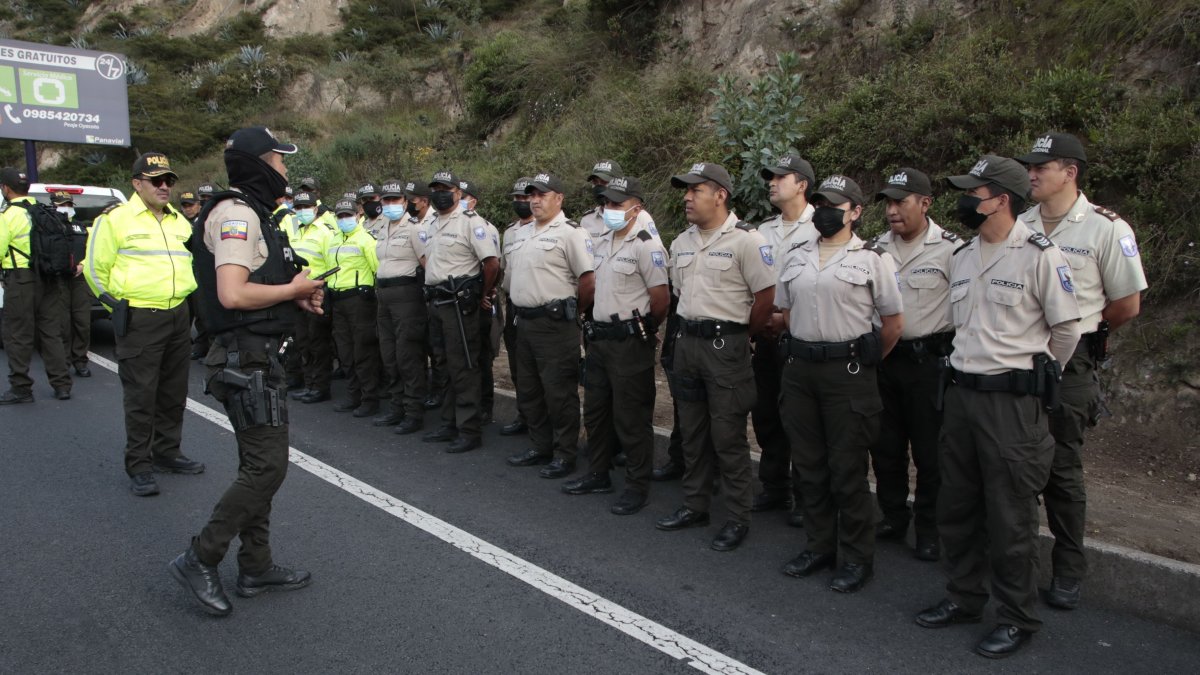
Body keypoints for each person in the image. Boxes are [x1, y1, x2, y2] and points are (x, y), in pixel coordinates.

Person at [915, 155, 1081, 659]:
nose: (965, 201)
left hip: (1012, 405)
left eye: (974, 193)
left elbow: (1067, 329)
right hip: (963, 397)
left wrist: (1031, 376)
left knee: (1010, 518)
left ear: (1001, 200)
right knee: (957, 506)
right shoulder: (963, 256)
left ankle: (1016, 618)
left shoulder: (1038, 255)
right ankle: (964, 597)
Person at [169, 125, 323, 617]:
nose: (284, 170)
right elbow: (234, 294)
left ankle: (256, 565)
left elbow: (257, 287)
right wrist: (290, 291)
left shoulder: (256, 214)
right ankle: (201, 555)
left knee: (259, 466)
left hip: (255, 355)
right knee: (267, 467)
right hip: (245, 360)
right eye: (280, 160)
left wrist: (294, 293)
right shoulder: (237, 213)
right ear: (259, 163)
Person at [1017, 132, 1147, 609]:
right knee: (1019, 465)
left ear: (1069, 172)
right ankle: (1019, 567)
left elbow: (1127, 303)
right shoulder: (1021, 223)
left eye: (1041, 167)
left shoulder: (1105, 229)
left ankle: (1069, 570)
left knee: (1062, 472)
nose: (1031, 173)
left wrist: (1085, 333)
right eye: (1029, 166)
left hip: (1070, 368)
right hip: (1021, 363)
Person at [775, 175, 903, 593]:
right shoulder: (795, 255)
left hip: (847, 375)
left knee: (847, 469)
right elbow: (785, 311)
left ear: (855, 211)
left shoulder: (872, 258)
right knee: (809, 466)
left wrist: (860, 361)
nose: (825, 211)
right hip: (801, 371)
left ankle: (857, 558)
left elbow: (893, 323)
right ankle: (818, 546)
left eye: (834, 204)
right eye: (820, 203)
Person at [655, 162, 775, 552]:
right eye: (685, 190)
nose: (687, 197)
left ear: (721, 195)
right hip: (688, 343)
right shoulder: (681, 242)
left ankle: (738, 517)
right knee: (692, 431)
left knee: (727, 436)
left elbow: (765, 299)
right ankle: (695, 505)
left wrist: (742, 334)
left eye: (696, 190)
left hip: (727, 348)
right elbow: (678, 295)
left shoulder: (747, 241)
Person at [85, 153, 204, 496]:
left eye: (168, 180)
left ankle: (167, 452)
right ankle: (139, 464)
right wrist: (115, 306)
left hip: (179, 314)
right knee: (141, 395)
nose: (165, 186)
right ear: (137, 184)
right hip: (140, 317)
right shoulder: (115, 220)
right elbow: (95, 270)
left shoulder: (178, 221)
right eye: (156, 180)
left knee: (173, 391)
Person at [869, 167, 960, 562]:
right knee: (885, 448)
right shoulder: (874, 250)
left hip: (930, 365)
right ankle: (892, 516)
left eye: (900, 201)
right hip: (886, 359)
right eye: (888, 202)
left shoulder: (953, 250)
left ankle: (929, 529)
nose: (892, 210)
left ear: (925, 203)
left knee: (930, 454)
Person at [563, 176, 669, 514]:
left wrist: (644, 328)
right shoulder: (603, 241)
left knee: (632, 417)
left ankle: (637, 486)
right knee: (596, 411)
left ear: (636, 209)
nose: (609, 209)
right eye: (606, 203)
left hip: (628, 344)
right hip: (600, 340)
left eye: (617, 204)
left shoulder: (646, 245)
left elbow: (661, 299)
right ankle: (598, 472)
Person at [504, 172, 595, 478]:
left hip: (555, 324)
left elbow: (588, 280)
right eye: (532, 195)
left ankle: (565, 452)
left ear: (559, 198)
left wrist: (575, 311)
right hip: (524, 322)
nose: (535, 200)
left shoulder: (571, 233)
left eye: (542, 195)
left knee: (559, 393)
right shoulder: (521, 233)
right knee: (529, 390)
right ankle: (539, 445)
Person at [751, 153, 818, 526]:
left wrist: (784, 319)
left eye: (781, 177)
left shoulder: (819, 227)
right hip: (765, 333)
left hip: (798, 334)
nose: (772, 182)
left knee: (799, 417)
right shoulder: (764, 229)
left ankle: (802, 494)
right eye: (770, 177)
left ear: (802, 185)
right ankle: (773, 485)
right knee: (765, 412)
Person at [421, 171, 500, 453]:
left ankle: (469, 429)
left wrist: (481, 294)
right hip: (436, 302)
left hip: (458, 304)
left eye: (446, 188)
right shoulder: (432, 223)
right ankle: (448, 422)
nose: (440, 193)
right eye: (436, 188)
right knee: (442, 364)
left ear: (457, 193)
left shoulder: (471, 223)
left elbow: (491, 263)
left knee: (463, 366)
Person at [0, 168, 72, 403]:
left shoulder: (7, 216)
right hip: (49, 278)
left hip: (21, 279)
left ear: (6, 189)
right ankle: (62, 385)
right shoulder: (44, 211)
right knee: (51, 333)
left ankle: (21, 387)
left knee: (18, 334)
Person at [374, 178, 429, 434]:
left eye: (396, 200)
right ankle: (397, 407)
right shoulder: (382, 227)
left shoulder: (415, 229)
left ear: (405, 202)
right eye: (386, 200)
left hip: (407, 295)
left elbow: (427, 264)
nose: (390, 204)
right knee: (389, 355)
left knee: (408, 357)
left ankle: (413, 411)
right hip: (384, 296)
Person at [325, 198, 381, 417]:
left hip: (359, 301)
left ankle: (369, 399)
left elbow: (377, 269)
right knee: (345, 351)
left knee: (363, 351)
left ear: (358, 216)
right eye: (340, 216)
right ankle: (353, 395)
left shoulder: (366, 240)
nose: (344, 219)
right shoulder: (334, 240)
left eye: (348, 215)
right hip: (337, 300)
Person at [288, 190, 337, 404]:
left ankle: (320, 386)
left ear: (316, 209)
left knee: (318, 342)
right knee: (303, 340)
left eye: (306, 207)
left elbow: (333, 265)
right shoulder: (296, 232)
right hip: (297, 293)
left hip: (317, 291)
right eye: (298, 208)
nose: (302, 211)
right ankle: (309, 384)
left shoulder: (325, 233)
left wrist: (324, 290)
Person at [460, 179, 502, 424]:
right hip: (460, 302)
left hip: (479, 301)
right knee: (466, 356)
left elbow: (493, 265)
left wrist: (485, 293)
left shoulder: (484, 227)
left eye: (464, 196)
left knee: (482, 356)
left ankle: (485, 406)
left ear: (472, 201)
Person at [498, 177, 535, 436]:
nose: (521, 202)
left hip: (538, 309)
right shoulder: (510, 232)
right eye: (517, 198)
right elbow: (503, 269)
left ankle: (540, 419)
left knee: (539, 368)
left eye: (526, 198)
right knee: (517, 364)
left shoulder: (548, 230)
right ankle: (524, 414)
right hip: (513, 305)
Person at [55, 191, 95, 378]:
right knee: (62, 324)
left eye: (69, 205)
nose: (67, 208)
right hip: (58, 280)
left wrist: (83, 266)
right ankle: (62, 363)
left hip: (79, 280)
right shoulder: (49, 227)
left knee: (82, 323)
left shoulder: (81, 228)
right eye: (63, 205)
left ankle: (80, 360)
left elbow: (91, 251)